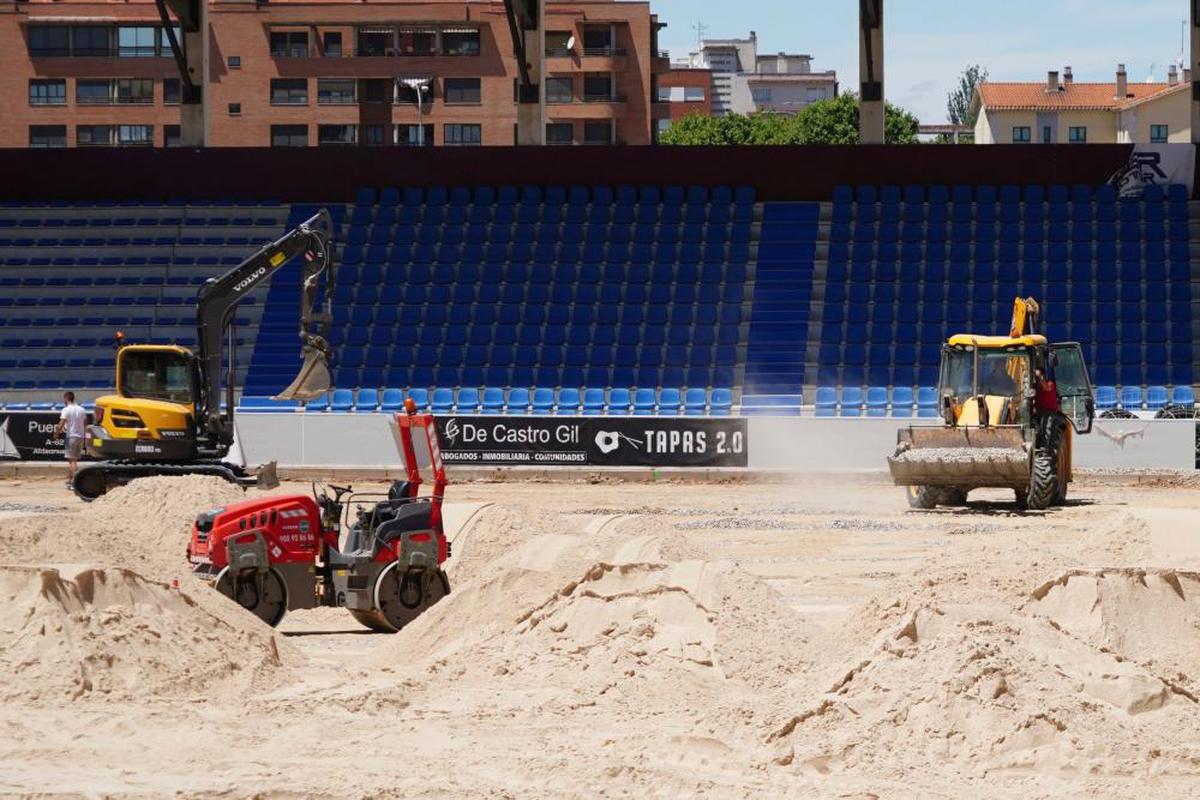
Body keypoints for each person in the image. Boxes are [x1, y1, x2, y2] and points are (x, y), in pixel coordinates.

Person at [54, 391, 87, 489]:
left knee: (71, 461)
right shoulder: (82, 409)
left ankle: (74, 482)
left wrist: (56, 434)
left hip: (71, 436)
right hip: (80, 437)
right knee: (74, 460)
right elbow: (85, 425)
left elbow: (61, 423)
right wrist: (86, 438)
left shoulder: (66, 409)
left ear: (66, 399)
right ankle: (70, 480)